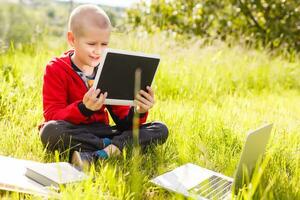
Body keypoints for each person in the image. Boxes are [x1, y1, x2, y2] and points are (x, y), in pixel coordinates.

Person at [39, 4, 168, 169]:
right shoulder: (56, 68)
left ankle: (98, 155)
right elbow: (52, 115)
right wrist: (84, 108)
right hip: (74, 131)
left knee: (160, 129)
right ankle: (114, 148)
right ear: (72, 39)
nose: (98, 51)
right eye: (91, 44)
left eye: (104, 44)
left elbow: (124, 124)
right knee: (50, 131)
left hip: (104, 131)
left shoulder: (108, 67)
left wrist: (139, 110)